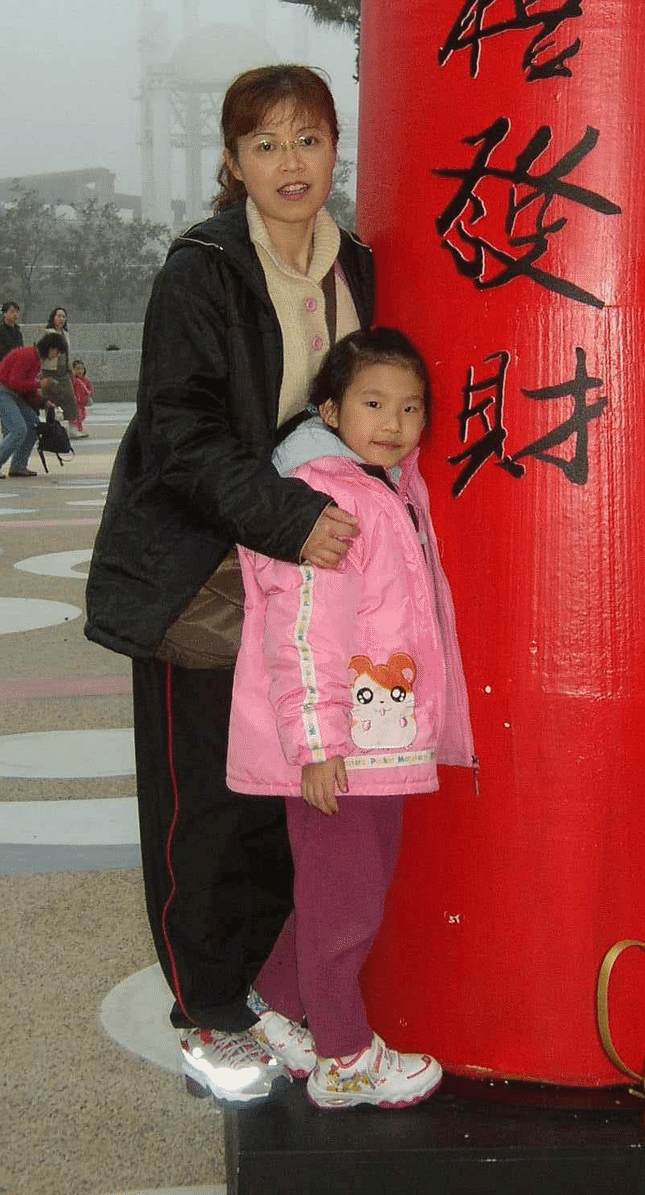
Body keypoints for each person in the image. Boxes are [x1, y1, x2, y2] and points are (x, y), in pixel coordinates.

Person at [84, 65, 374, 1106]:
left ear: (335, 147)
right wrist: (292, 518)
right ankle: (204, 1010)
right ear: (233, 161)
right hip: (202, 574)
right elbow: (182, 434)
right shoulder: (201, 271)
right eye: (266, 145)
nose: (290, 164)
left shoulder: (361, 270)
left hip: (302, 584)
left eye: (307, 140)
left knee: (281, 796)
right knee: (201, 804)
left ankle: (257, 989)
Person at [228, 328, 474, 1110]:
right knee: (348, 904)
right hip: (339, 748)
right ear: (329, 408)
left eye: (410, 407)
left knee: (344, 891)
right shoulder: (321, 501)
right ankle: (344, 1057)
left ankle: (275, 1009)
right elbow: (302, 635)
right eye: (373, 403)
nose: (394, 421)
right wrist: (319, 747)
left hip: (382, 740)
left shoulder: (388, 486)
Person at [0, 331, 68, 479]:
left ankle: (19, 465)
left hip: (11, 393)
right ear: (50, 348)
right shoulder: (27, 356)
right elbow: (14, 383)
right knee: (18, 429)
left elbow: (25, 389)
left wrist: (43, 402)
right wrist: (40, 384)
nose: (56, 355)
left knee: (33, 425)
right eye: (57, 351)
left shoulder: (35, 360)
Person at [45, 307, 82, 432]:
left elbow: (67, 354)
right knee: (51, 401)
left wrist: (70, 369)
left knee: (70, 398)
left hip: (64, 372)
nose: (61, 319)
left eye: (63, 316)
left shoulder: (66, 334)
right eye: (58, 316)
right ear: (53, 318)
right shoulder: (47, 333)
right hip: (50, 372)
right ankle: (52, 428)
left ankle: (72, 427)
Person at [0, 301, 23, 366]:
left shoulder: (18, 332)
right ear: (5, 314)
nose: (15, 314)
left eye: (17, 312)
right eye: (12, 312)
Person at [71, 358, 93, 437]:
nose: (80, 371)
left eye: (82, 369)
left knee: (83, 415)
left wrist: (89, 394)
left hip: (82, 402)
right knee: (78, 416)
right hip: (75, 401)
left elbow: (90, 388)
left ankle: (75, 428)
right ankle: (78, 429)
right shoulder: (74, 380)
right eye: (77, 369)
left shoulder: (85, 380)